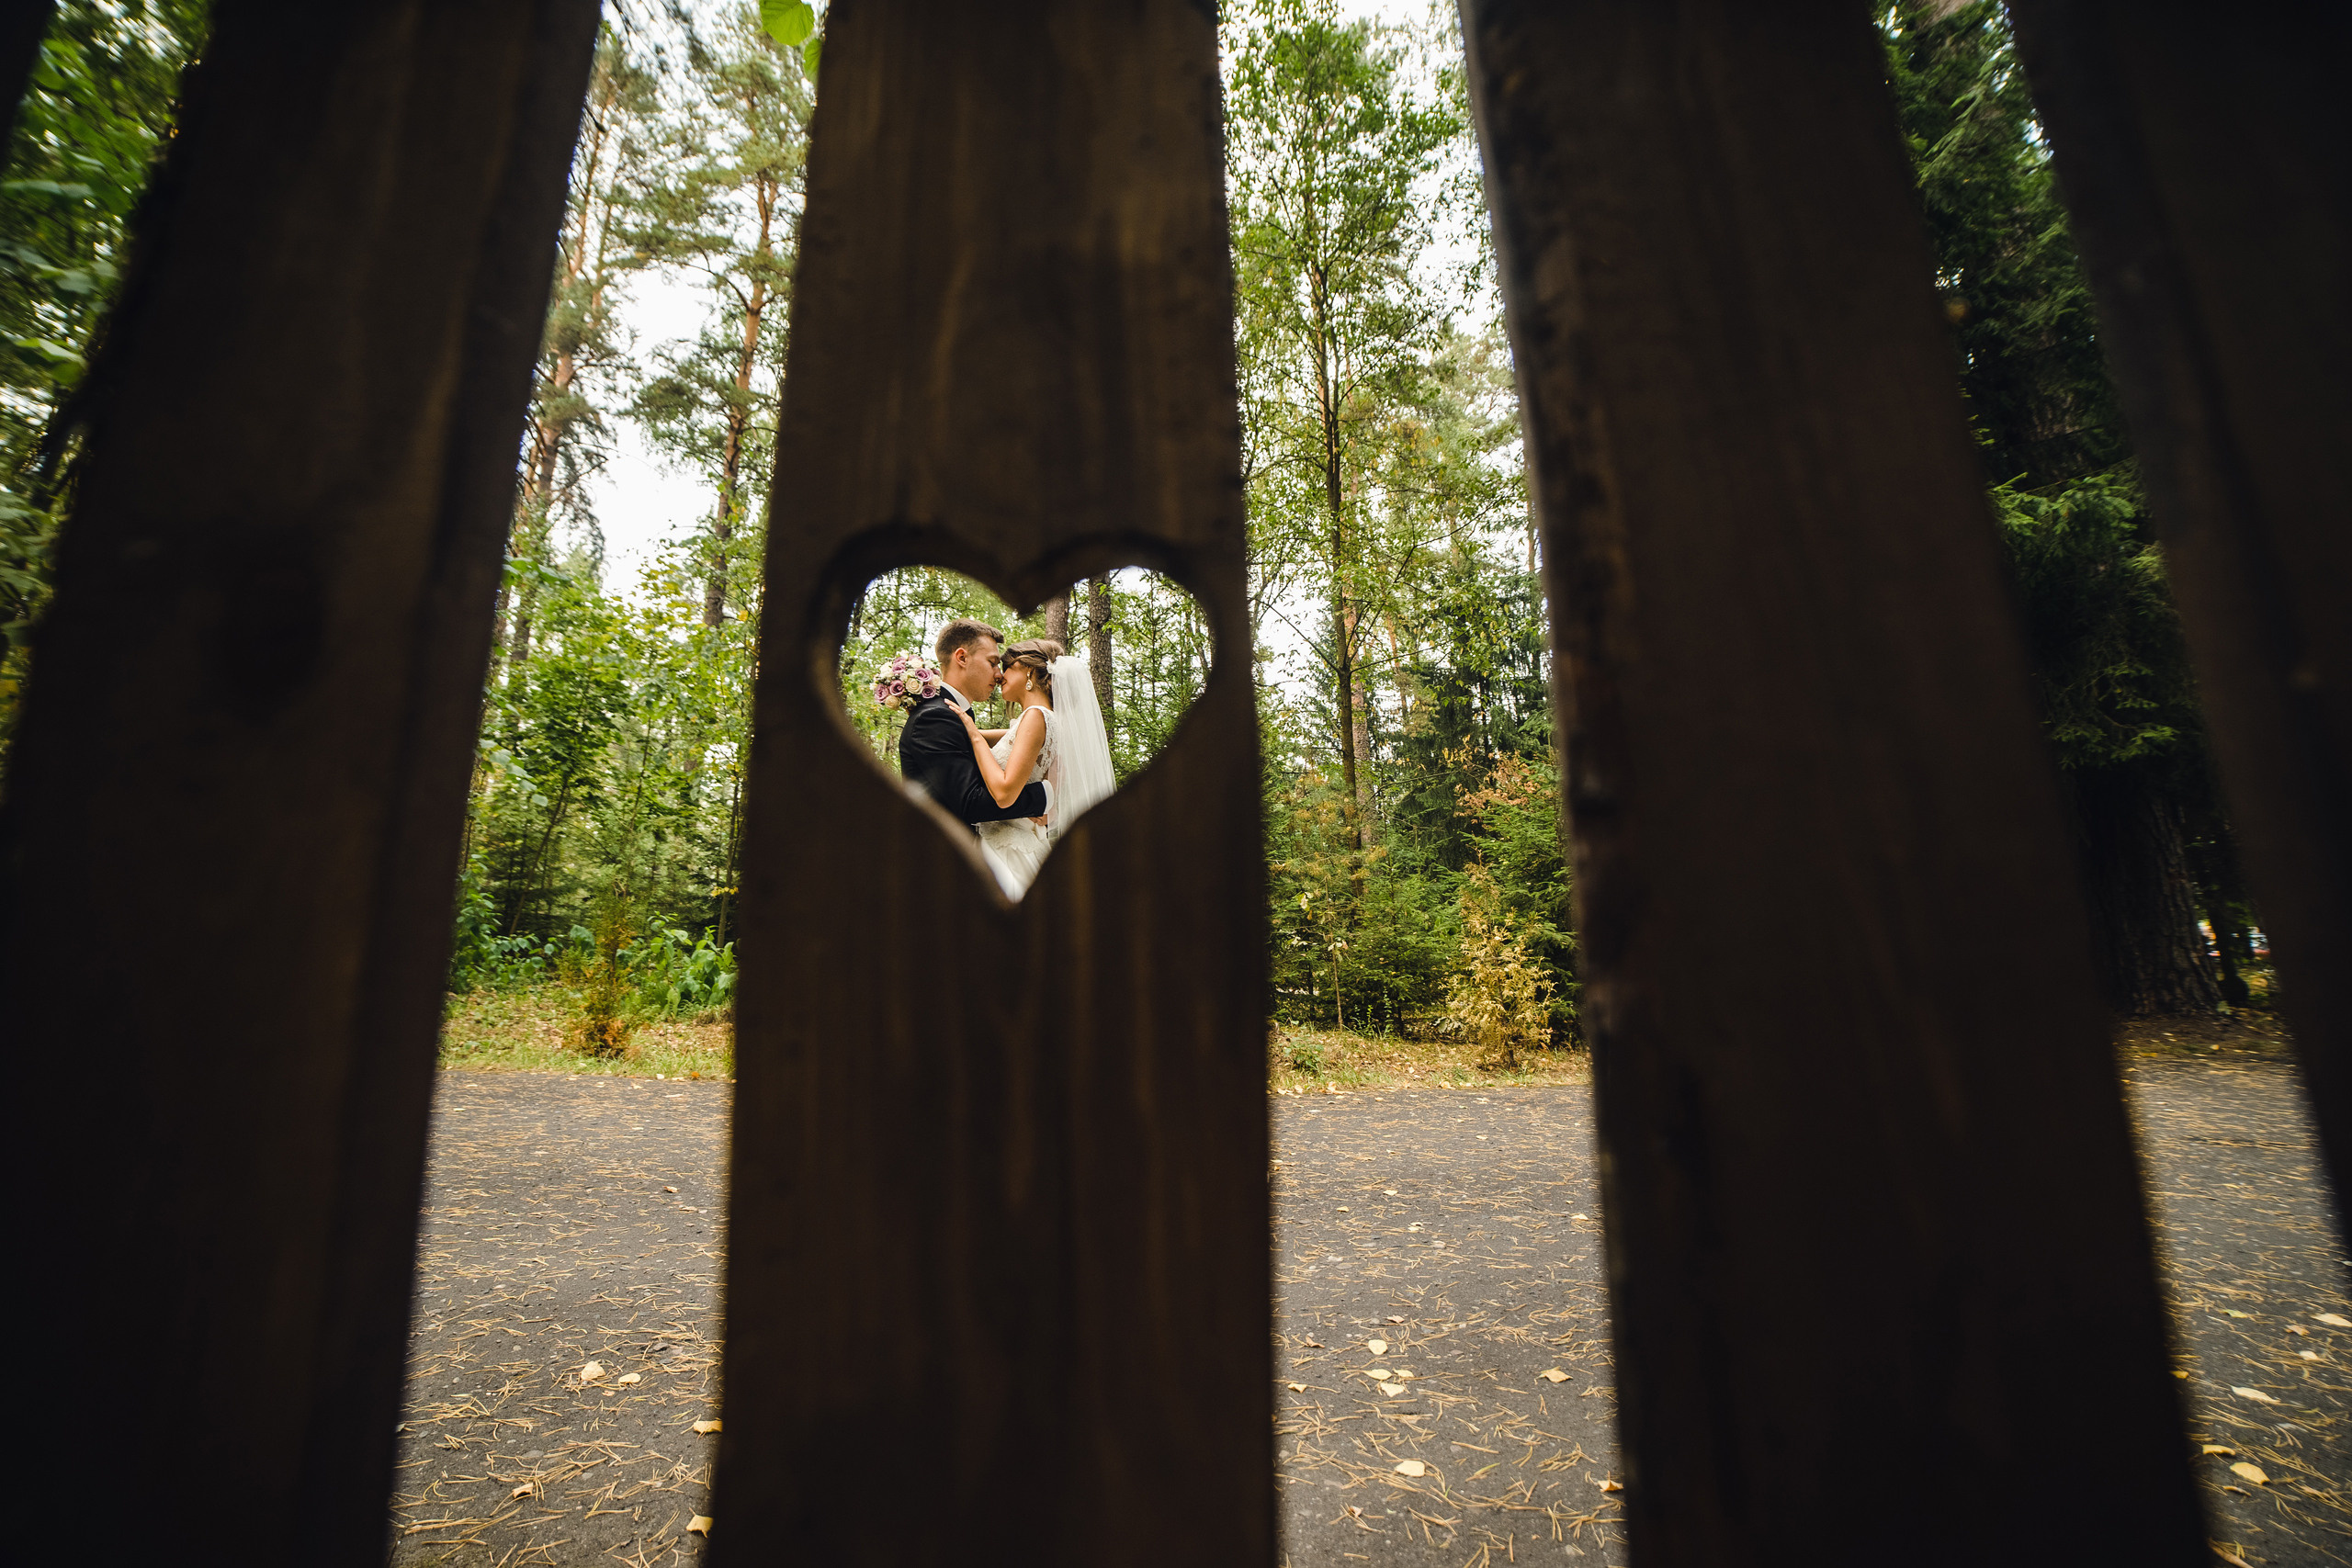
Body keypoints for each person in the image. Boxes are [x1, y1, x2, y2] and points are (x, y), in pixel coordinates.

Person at [952, 635, 1119, 897]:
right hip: (1023, 840)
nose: (1000, 675)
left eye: (1007, 666)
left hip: (1007, 850)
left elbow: (1005, 793)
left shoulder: (1035, 717)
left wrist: (973, 734)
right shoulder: (1045, 720)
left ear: (1028, 670)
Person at [898, 620, 1053, 865]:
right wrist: (1046, 797)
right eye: (992, 662)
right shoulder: (935, 717)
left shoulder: (956, 715)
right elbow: (971, 803)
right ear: (962, 657)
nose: (999, 674)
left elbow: (1019, 737)